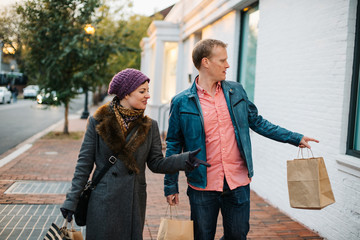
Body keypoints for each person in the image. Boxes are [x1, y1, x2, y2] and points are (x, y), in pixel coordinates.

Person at [164, 39, 319, 240]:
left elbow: (258, 122)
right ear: (206, 62)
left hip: (237, 182)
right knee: (202, 236)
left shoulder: (235, 90)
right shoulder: (181, 102)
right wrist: (171, 185)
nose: (228, 65)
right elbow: (173, 144)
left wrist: (294, 138)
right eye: (222, 60)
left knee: (238, 236)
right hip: (202, 185)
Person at [60, 68, 210, 240]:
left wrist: (184, 160)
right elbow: (84, 165)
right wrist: (71, 201)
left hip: (133, 203)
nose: (148, 95)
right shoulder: (98, 122)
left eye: (148, 91)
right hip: (103, 202)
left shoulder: (150, 126)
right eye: (142, 91)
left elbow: (156, 163)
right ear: (125, 94)